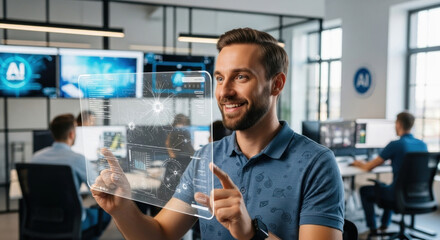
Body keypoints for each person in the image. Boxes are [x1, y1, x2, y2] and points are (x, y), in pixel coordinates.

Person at [91, 28, 344, 239]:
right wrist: (123, 208)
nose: (224, 92)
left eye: (241, 77)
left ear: (276, 84)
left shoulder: (316, 163)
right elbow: (161, 234)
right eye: (220, 78)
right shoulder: (206, 158)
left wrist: (250, 234)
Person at [31, 114, 111, 235]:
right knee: (105, 214)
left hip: (40, 219)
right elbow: (99, 189)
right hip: (71, 222)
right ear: (71, 134)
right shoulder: (78, 159)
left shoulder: (35, 158)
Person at [351, 111, 427, 234]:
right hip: (419, 194)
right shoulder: (422, 144)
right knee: (389, 187)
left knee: (365, 190)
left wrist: (358, 163)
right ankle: (385, 224)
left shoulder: (396, 144)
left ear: (399, 124)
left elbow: (369, 167)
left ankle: (373, 228)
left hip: (398, 196)